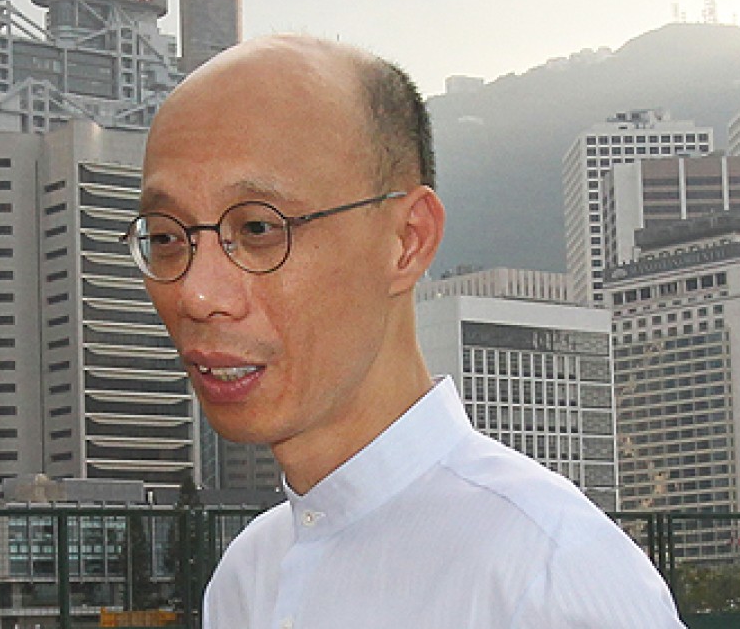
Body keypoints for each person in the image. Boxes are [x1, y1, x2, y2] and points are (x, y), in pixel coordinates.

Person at [130, 34, 685, 628]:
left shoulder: (548, 577)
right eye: (166, 237)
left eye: (260, 228)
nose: (197, 293)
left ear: (407, 241)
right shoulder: (246, 578)